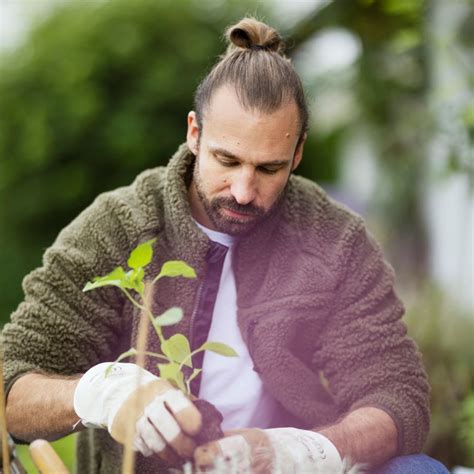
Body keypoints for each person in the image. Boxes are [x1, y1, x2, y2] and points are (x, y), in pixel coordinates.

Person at [1, 17, 448, 474]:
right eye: (227, 160)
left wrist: (301, 452)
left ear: (297, 154)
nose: (242, 190)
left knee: (418, 470)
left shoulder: (334, 240)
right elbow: (12, 384)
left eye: (269, 168)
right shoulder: (119, 227)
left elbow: (398, 398)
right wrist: (103, 392)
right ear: (195, 133)